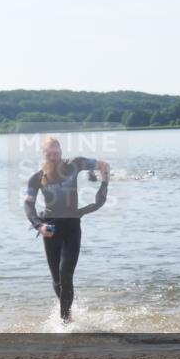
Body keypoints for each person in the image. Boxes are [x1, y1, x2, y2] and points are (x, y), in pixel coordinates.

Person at [24, 138, 110, 322]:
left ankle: (64, 323)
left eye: (56, 153)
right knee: (57, 280)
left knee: (66, 274)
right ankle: (68, 314)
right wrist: (39, 225)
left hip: (72, 227)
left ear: (61, 152)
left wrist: (104, 177)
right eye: (49, 154)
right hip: (50, 229)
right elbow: (28, 205)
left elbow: (102, 164)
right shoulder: (37, 178)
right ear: (44, 155)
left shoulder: (74, 165)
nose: (53, 157)